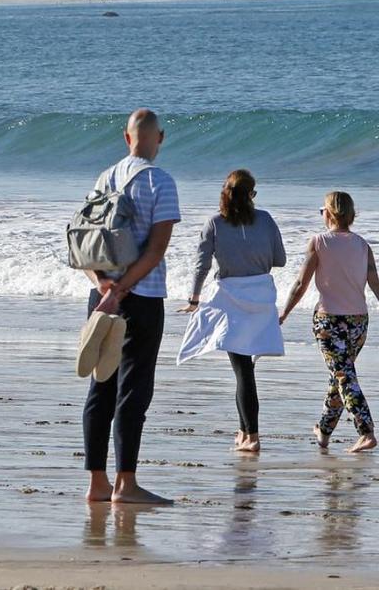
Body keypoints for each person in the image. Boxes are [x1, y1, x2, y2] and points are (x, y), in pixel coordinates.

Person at [82, 109, 180, 504]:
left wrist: (104, 285)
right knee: (133, 389)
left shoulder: (104, 178)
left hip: (102, 294)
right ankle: (127, 484)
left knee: (100, 386)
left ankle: (96, 483)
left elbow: (84, 243)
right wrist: (123, 288)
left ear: (126, 138)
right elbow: (156, 251)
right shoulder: (161, 181)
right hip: (141, 295)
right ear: (160, 137)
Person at [178, 169, 286, 453]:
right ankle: (243, 431)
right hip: (261, 297)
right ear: (251, 194)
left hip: (231, 299)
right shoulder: (265, 219)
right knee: (245, 370)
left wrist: (194, 298)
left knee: (242, 371)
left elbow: (201, 265)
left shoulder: (214, 223)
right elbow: (281, 259)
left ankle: (252, 436)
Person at [280, 191, 379, 454]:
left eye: (321, 210)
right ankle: (323, 431)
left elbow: (301, 283)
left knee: (343, 374)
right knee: (341, 375)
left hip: (329, 321)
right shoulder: (363, 245)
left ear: (330, 213)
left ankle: (366, 431)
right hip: (359, 321)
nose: (321, 214)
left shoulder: (319, 242)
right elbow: (375, 284)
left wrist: (284, 314)